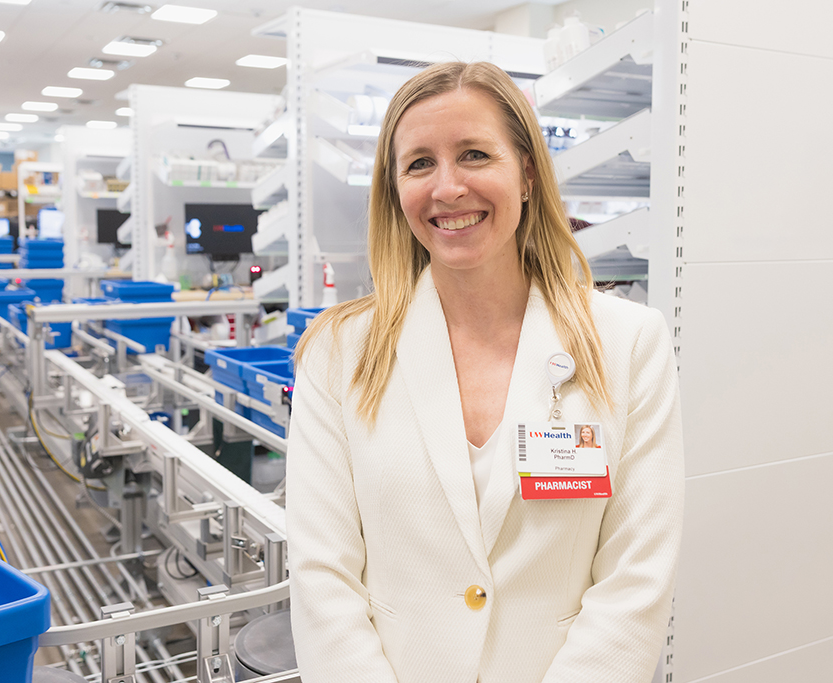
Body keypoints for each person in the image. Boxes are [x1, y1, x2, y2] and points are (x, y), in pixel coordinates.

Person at [285, 61, 683, 683]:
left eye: (474, 154)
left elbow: (637, 576)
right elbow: (321, 575)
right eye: (419, 163)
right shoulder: (339, 353)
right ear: (394, 190)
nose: (447, 188)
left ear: (526, 173)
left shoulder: (629, 342)